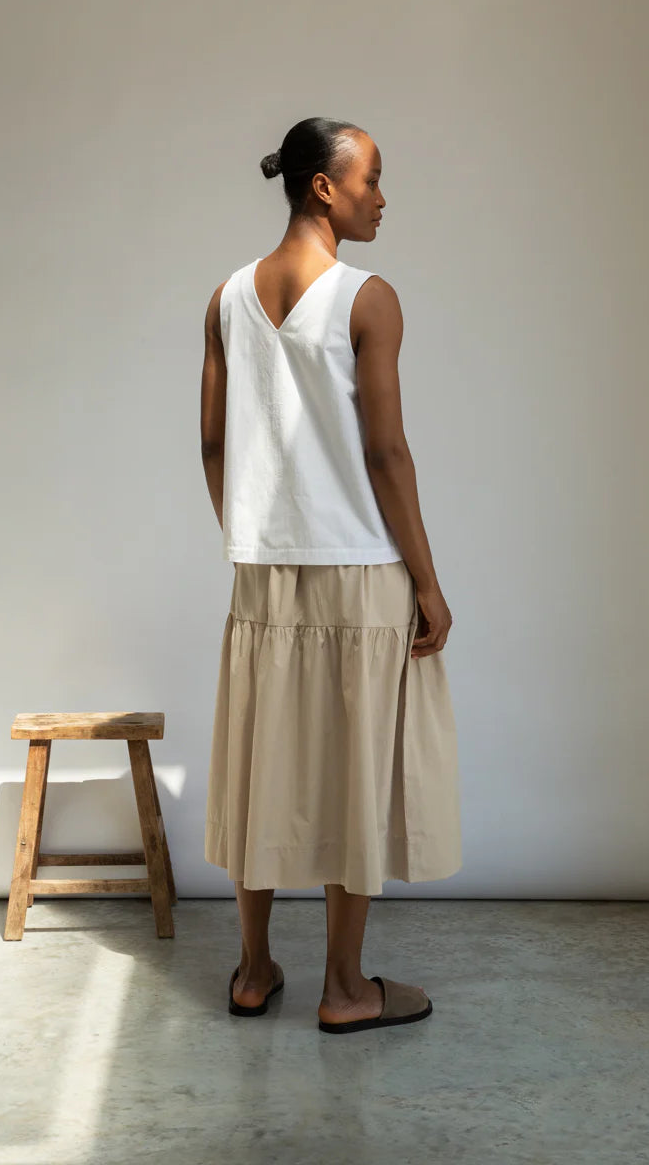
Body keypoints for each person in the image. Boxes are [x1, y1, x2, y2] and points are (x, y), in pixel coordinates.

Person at [200, 116, 462, 1034]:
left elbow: (212, 443)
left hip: (261, 575)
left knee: (263, 761)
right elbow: (388, 453)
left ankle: (251, 970)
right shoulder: (367, 297)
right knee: (352, 770)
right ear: (324, 186)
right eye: (372, 179)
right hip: (358, 570)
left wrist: (255, 533)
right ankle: (346, 989)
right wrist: (427, 584)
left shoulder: (227, 296)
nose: (383, 197)